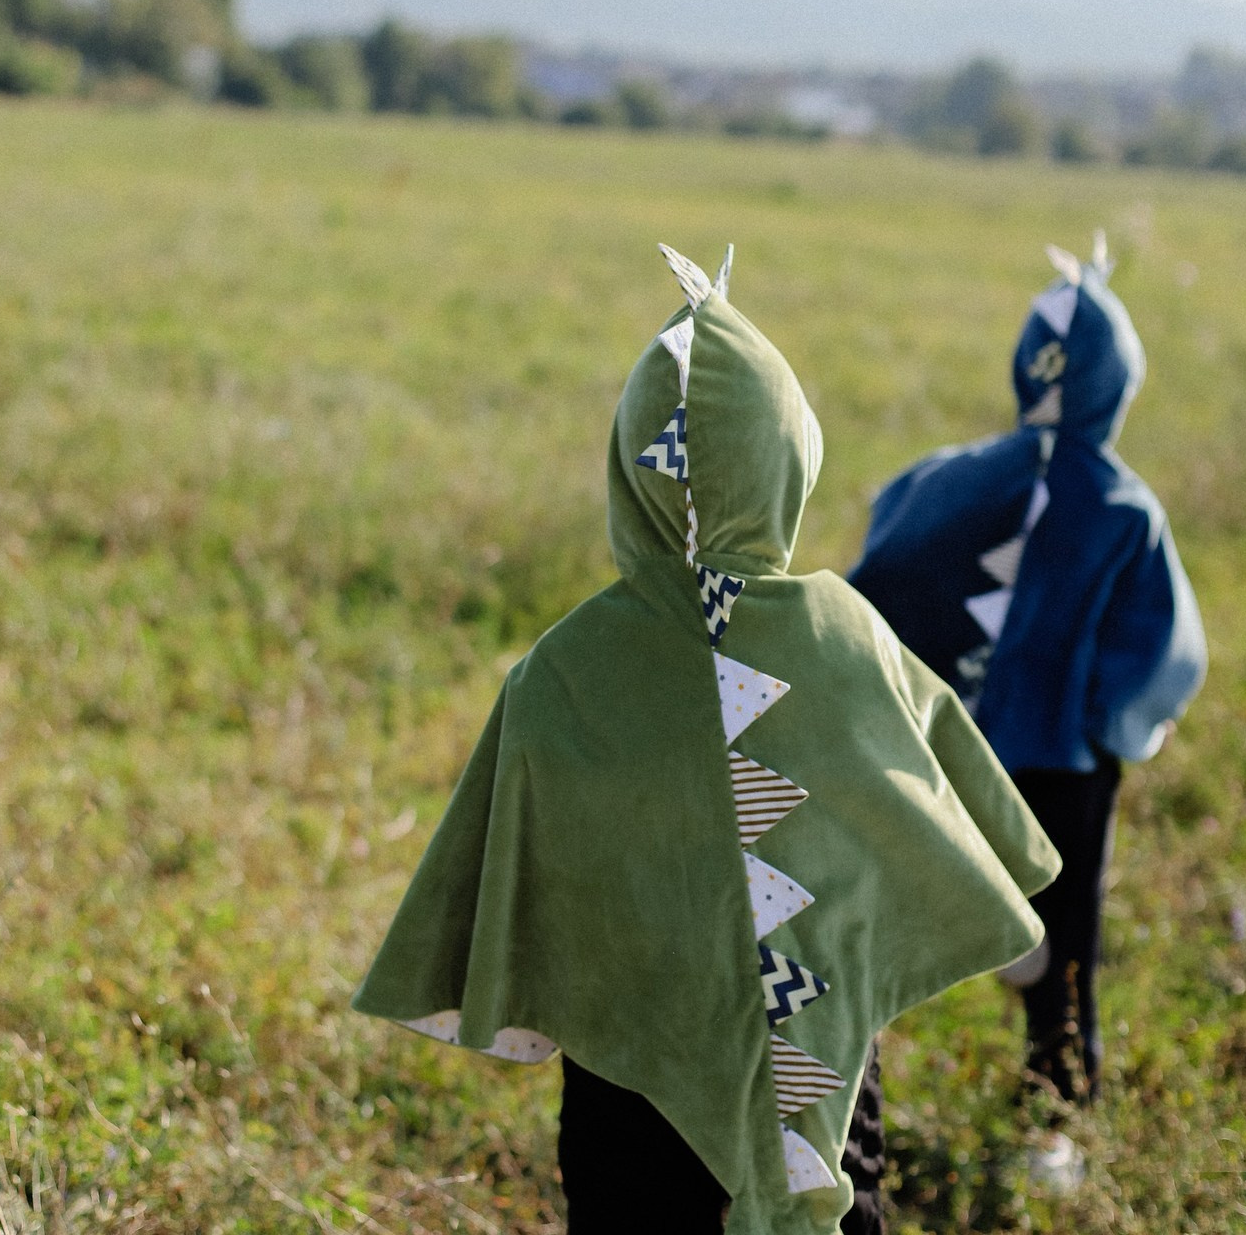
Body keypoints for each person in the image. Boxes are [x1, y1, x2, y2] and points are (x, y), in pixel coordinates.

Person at [353, 243, 1060, 1234]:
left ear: (627, 462)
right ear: (790, 454)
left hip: (626, 1098)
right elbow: (956, 811)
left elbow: (512, 869)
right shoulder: (845, 633)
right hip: (819, 1081)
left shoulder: (565, 666)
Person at [848, 235, 1207, 1106]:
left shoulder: (941, 480)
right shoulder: (1123, 505)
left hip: (938, 751)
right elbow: (1164, 649)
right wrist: (1112, 725)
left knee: (878, 914)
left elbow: (877, 584)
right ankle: (1058, 1087)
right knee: (1068, 918)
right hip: (1063, 763)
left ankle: (845, 1083)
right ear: (1119, 383)